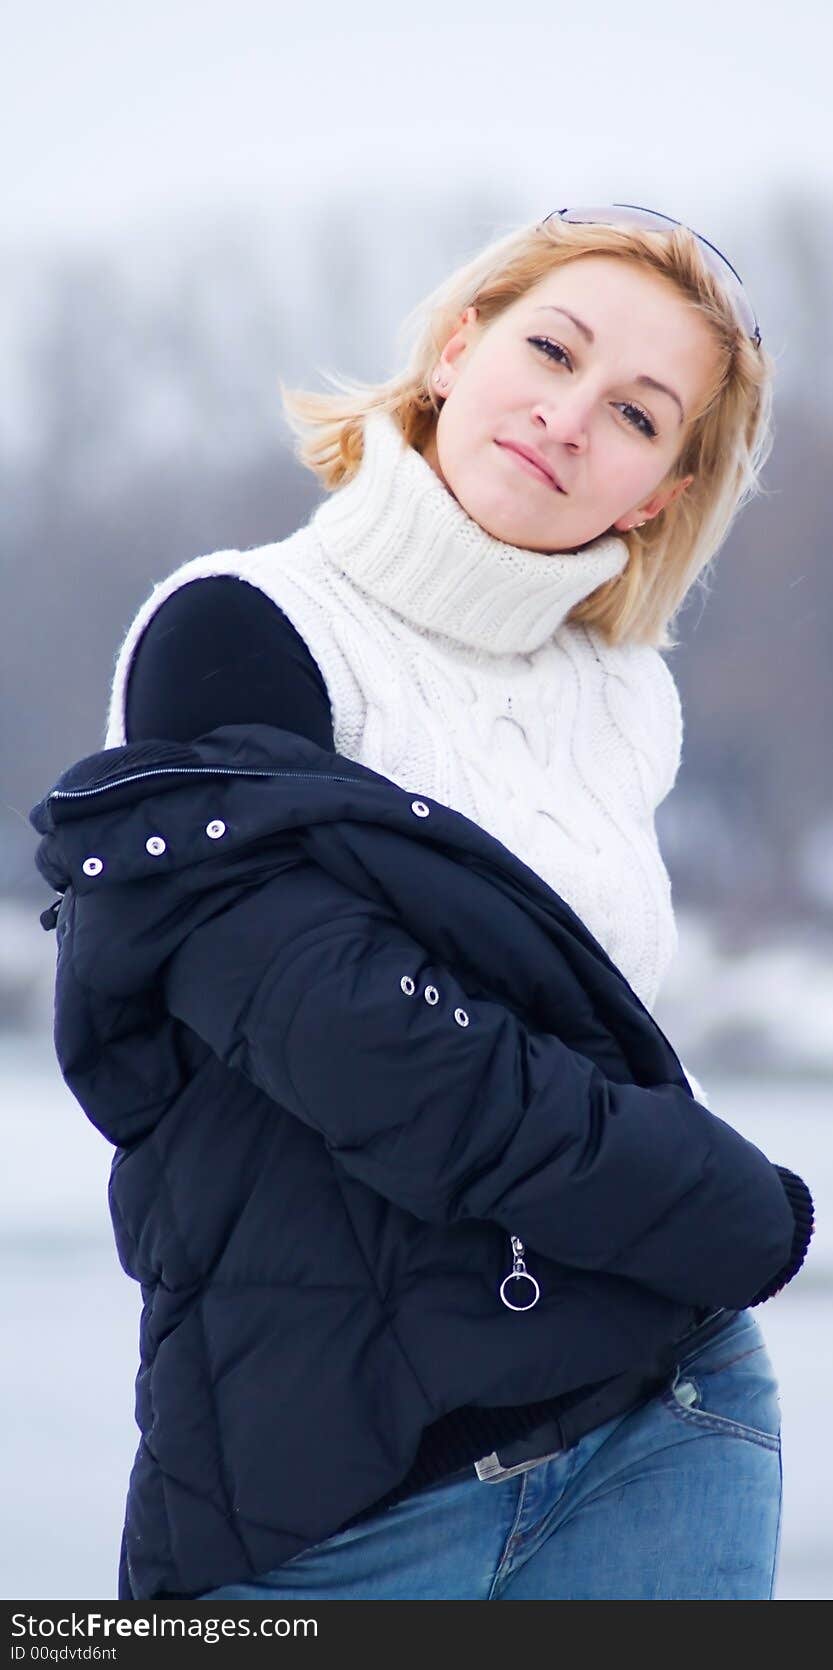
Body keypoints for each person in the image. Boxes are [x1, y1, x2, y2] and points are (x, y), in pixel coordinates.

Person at [32, 204, 814, 1601]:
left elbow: (592, 1025)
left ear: (654, 493)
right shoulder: (241, 632)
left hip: (661, 1427)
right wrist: (725, 1203)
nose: (570, 416)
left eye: (635, 414)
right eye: (550, 349)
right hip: (333, 1488)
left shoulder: (627, 702)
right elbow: (359, 1039)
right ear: (456, 349)